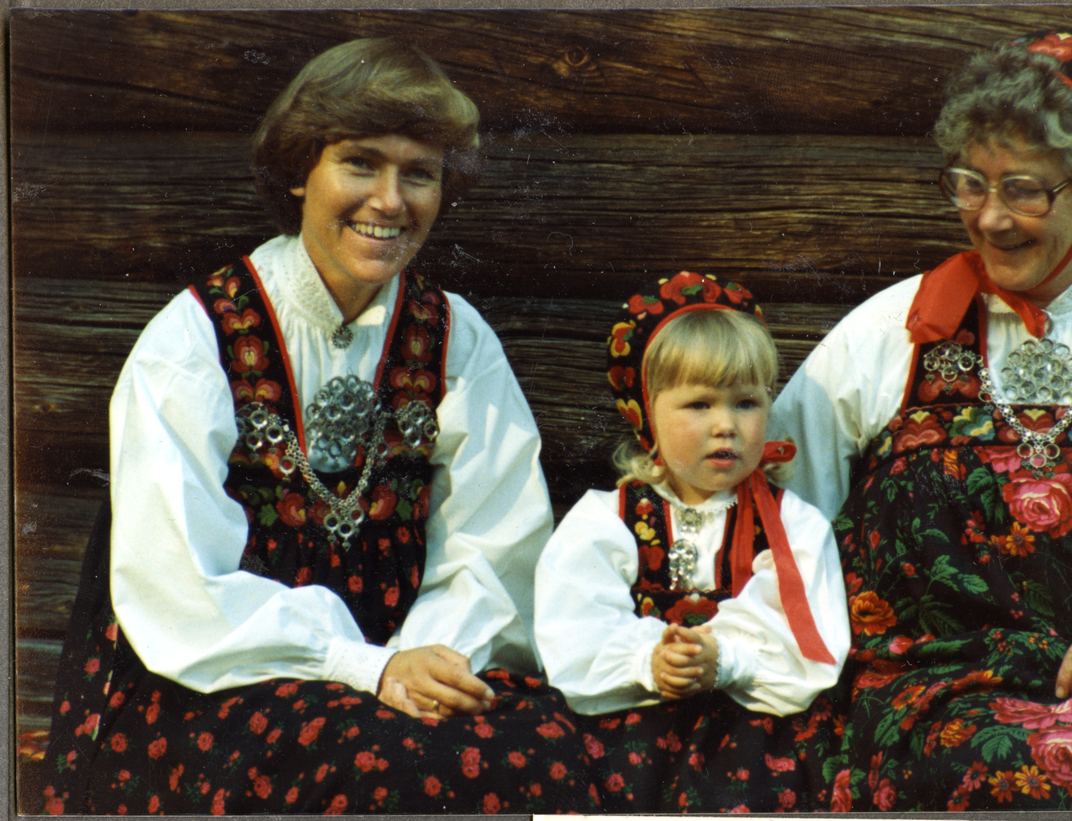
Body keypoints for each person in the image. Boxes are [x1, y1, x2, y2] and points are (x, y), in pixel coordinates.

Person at [39, 38, 596, 814]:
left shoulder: (454, 337)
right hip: (230, 671)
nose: (391, 200)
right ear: (301, 170)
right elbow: (179, 584)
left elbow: (496, 544)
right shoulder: (196, 338)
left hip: (413, 670)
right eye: (361, 163)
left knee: (556, 750)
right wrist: (357, 666)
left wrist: (421, 663)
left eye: (420, 173)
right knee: (382, 769)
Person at [771, 29, 1072, 810]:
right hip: (921, 719)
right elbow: (773, 521)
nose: (992, 219)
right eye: (971, 183)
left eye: (1026, 189)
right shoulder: (887, 335)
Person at [535, 271, 850, 812]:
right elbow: (574, 627)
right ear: (646, 412)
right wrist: (648, 663)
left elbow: (807, 639)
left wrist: (722, 659)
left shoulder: (791, 525)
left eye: (746, 403)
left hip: (754, 730)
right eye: (700, 405)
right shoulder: (606, 520)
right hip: (629, 724)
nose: (726, 425)